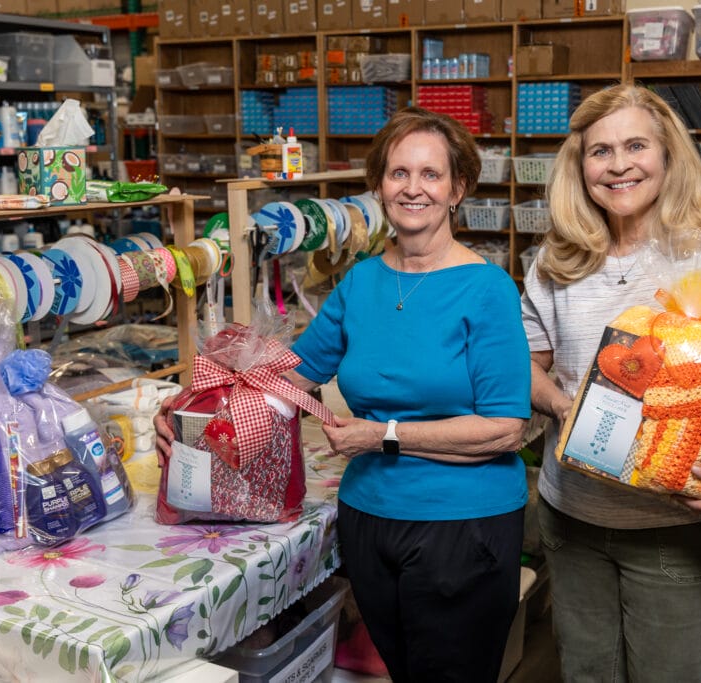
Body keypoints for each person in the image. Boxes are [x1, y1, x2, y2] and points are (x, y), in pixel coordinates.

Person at [521, 84, 701, 682]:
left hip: (677, 530)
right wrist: (561, 404)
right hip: (571, 518)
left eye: (636, 145)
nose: (619, 164)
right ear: (580, 167)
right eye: (600, 151)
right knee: (586, 673)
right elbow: (530, 363)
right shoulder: (557, 257)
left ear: (668, 155)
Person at [286, 107, 532, 682]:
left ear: (457, 190)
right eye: (399, 173)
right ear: (378, 187)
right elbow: (292, 373)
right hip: (370, 519)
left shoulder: (486, 288)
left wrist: (384, 435)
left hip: (463, 528)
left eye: (431, 174)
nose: (413, 188)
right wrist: (200, 402)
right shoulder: (363, 280)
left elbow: (504, 429)